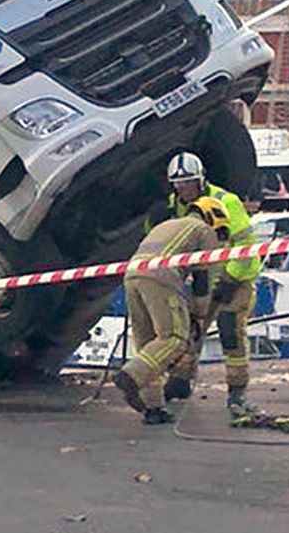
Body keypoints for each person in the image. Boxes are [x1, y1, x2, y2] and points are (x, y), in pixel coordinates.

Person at [153, 152, 263, 418]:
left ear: (201, 181)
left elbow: (247, 249)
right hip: (202, 278)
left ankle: (237, 393)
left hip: (235, 278)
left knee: (230, 332)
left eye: (189, 184)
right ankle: (180, 382)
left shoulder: (227, 202)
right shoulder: (173, 206)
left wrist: (230, 279)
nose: (185, 191)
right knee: (189, 330)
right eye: (179, 186)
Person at [112, 197, 231, 425]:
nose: (221, 237)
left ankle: (153, 408)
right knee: (174, 337)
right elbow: (202, 277)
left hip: (132, 276)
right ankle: (131, 376)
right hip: (162, 276)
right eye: (222, 231)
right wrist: (199, 313)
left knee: (148, 345)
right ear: (214, 217)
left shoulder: (167, 225)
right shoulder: (203, 229)